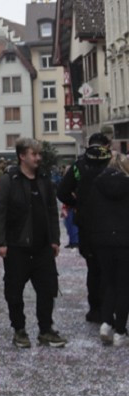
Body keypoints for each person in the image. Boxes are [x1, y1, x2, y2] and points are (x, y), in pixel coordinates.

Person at [0, 137, 66, 348]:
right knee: (14, 291)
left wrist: (54, 240)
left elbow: (52, 211)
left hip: (42, 247)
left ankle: (45, 330)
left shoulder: (44, 180)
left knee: (47, 289)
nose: (38, 158)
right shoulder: (8, 180)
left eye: (39, 154)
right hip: (17, 247)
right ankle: (19, 330)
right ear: (22, 156)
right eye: (34, 154)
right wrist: (1, 242)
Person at [56, 131, 112, 322]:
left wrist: (77, 203)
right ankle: (108, 309)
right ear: (107, 145)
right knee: (110, 267)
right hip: (111, 225)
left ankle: (94, 309)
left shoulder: (79, 165)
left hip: (87, 226)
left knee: (93, 268)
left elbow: (62, 191)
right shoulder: (112, 163)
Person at [87, 153, 129, 346]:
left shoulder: (97, 184)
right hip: (124, 240)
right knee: (123, 286)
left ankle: (105, 323)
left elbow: (91, 212)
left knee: (109, 282)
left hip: (102, 241)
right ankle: (120, 331)